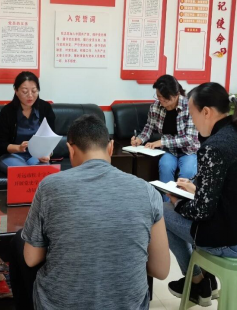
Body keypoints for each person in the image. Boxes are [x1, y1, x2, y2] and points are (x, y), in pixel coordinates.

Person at [9, 114, 171, 310]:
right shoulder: (147, 191)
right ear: (110, 147)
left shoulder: (49, 187)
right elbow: (161, 270)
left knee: (19, 241)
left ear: (70, 149)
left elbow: (31, 258)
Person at [163, 83, 237, 307]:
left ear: (206, 112)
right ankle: (204, 280)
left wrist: (177, 201)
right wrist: (196, 187)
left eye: (192, 115)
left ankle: (197, 281)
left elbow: (201, 212)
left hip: (235, 243)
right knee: (184, 209)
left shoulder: (214, 146)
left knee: (162, 212)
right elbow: (235, 189)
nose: (192, 122)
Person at [132, 75, 199, 196]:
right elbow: (149, 127)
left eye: (165, 98)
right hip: (169, 150)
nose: (161, 100)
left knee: (188, 172)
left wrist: (162, 142)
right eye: (158, 96)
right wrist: (139, 139)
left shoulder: (190, 106)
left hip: (189, 150)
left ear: (177, 94)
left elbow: (189, 139)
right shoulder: (155, 106)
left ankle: (183, 204)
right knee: (165, 166)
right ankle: (166, 204)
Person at [0, 71, 56, 173]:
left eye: (34, 91)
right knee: (23, 171)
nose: (30, 95)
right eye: (25, 91)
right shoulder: (6, 112)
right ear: (16, 91)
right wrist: (19, 148)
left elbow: (51, 138)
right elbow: (1, 144)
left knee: (42, 171)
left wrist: (47, 154)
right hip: (13, 155)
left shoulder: (45, 108)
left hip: (37, 156)